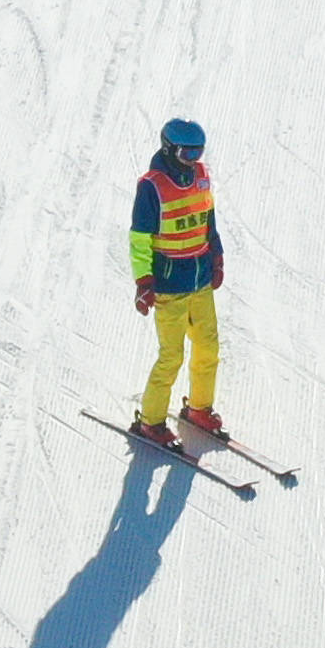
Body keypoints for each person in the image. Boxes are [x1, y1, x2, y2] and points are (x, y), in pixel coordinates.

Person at [127, 116, 224, 445]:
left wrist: (217, 255)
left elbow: (208, 218)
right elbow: (139, 239)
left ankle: (199, 408)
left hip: (200, 278)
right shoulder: (152, 186)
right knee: (172, 355)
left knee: (208, 346)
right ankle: (150, 421)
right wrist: (144, 282)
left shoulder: (200, 177)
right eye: (187, 154)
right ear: (170, 149)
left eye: (199, 153)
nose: (194, 161)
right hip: (169, 284)